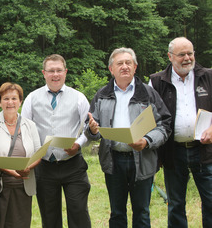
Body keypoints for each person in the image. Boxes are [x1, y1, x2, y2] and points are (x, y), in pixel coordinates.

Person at [85, 47, 171, 227]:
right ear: (111, 69)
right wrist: (93, 130)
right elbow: (92, 128)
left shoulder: (148, 94)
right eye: (120, 63)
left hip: (142, 159)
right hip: (113, 161)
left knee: (142, 212)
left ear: (135, 67)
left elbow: (164, 124)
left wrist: (147, 141)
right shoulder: (102, 95)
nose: (124, 67)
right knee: (117, 213)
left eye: (128, 63)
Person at [21, 54, 91, 228]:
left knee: (79, 213)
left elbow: (89, 128)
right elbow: (24, 129)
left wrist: (78, 144)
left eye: (59, 70)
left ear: (65, 72)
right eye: (51, 71)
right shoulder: (31, 98)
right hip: (44, 167)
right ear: (44, 73)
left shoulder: (80, 98)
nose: (55, 75)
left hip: (73, 166)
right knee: (49, 217)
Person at [149, 37, 212, 228]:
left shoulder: (208, 76)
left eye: (190, 53)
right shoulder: (157, 81)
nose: (187, 58)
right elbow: (150, 116)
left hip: (205, 151)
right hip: (173, 151)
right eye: (181, 54)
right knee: (175, 204)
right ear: (170, 56)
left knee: (210, 200)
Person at [0, 82, 41, 228]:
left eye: (14, 98)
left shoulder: (30, 125)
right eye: (6, 99)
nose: (10, 102)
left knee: (19, 223)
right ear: (0, 102)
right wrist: (7, 169)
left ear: (20, 101)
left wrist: (28, 167)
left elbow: (38, 152)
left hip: (23, 185)